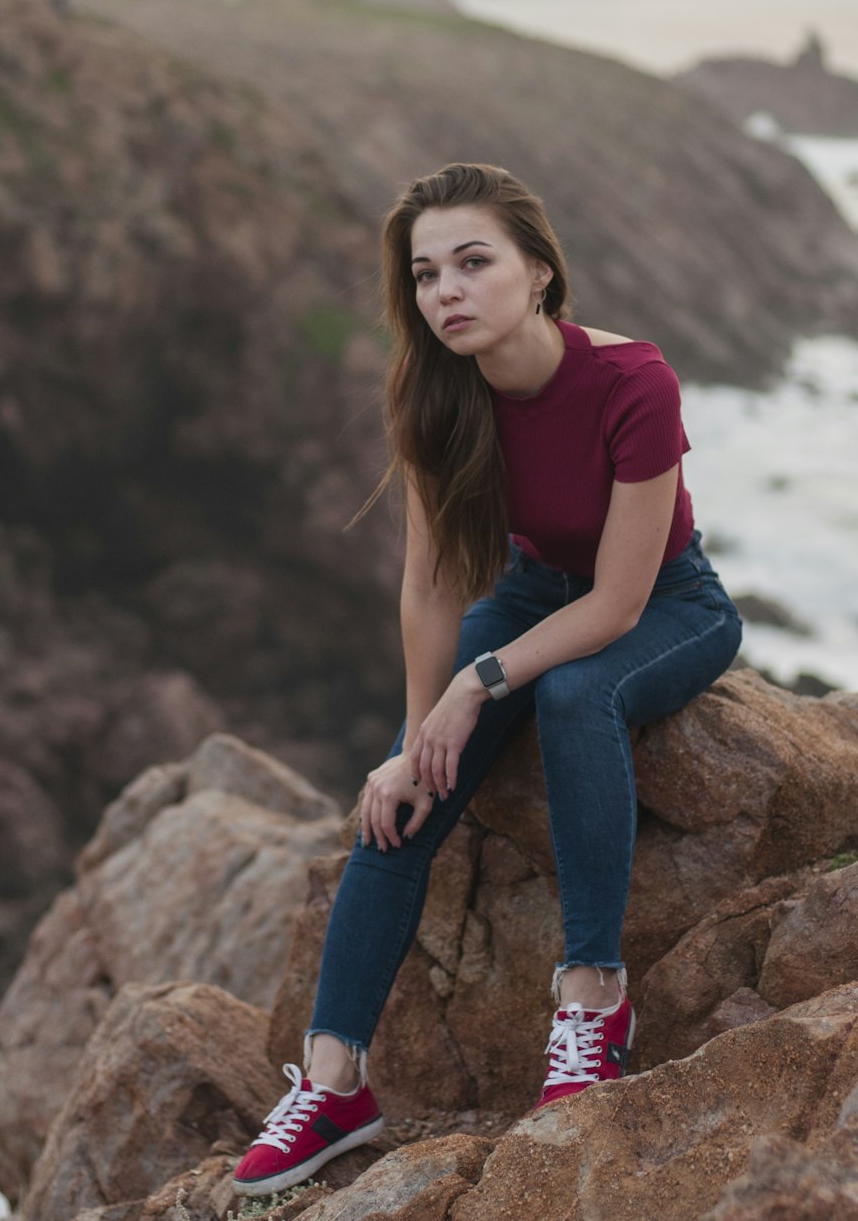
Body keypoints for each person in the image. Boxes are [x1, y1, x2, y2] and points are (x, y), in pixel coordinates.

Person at [232, 161, 742, 1197]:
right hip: (523, 592)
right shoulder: (435, 390)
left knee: (571, 691)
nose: (446, 292)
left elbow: (616, 606)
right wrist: (420, 730)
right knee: (399, 796)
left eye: (473, 263)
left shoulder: (631, 379)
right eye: (426, 275)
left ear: (540, 275)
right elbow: (425, 584)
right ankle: (335, 1084)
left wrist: (477, 684)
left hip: (665, 602)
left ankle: (594, 1004)